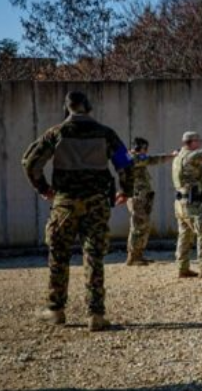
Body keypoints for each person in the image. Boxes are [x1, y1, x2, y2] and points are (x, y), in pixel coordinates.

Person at [22, 91, 134, 331]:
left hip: (65, 203)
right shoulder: (106, 133)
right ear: (89, 107)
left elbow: (30, 163)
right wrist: (126, 190)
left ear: (67, 108)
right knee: (94, 255)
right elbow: (125, 163)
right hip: (96, 202)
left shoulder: (56, 133)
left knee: (59, 255)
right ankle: (95, 314)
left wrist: (44, 188)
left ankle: (55, 310)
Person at [172, 131, 202, 279]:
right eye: (198, 141)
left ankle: (182, 268)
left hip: (180, 203)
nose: (200, 143)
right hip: (193, 204)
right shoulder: (192, 155)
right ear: (191, 142)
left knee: (184, 235)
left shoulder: (178, 156)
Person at [126, 137, 176, 266]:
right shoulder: (133, 158)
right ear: (140, 148)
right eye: (145, 149)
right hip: (137, 198)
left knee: (142, 226)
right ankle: (133, 257)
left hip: (142, 197)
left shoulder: (135, 158)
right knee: (138, 226)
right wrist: (171, 156)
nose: (146, 152)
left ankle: (137, 255)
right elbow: (153, 159)